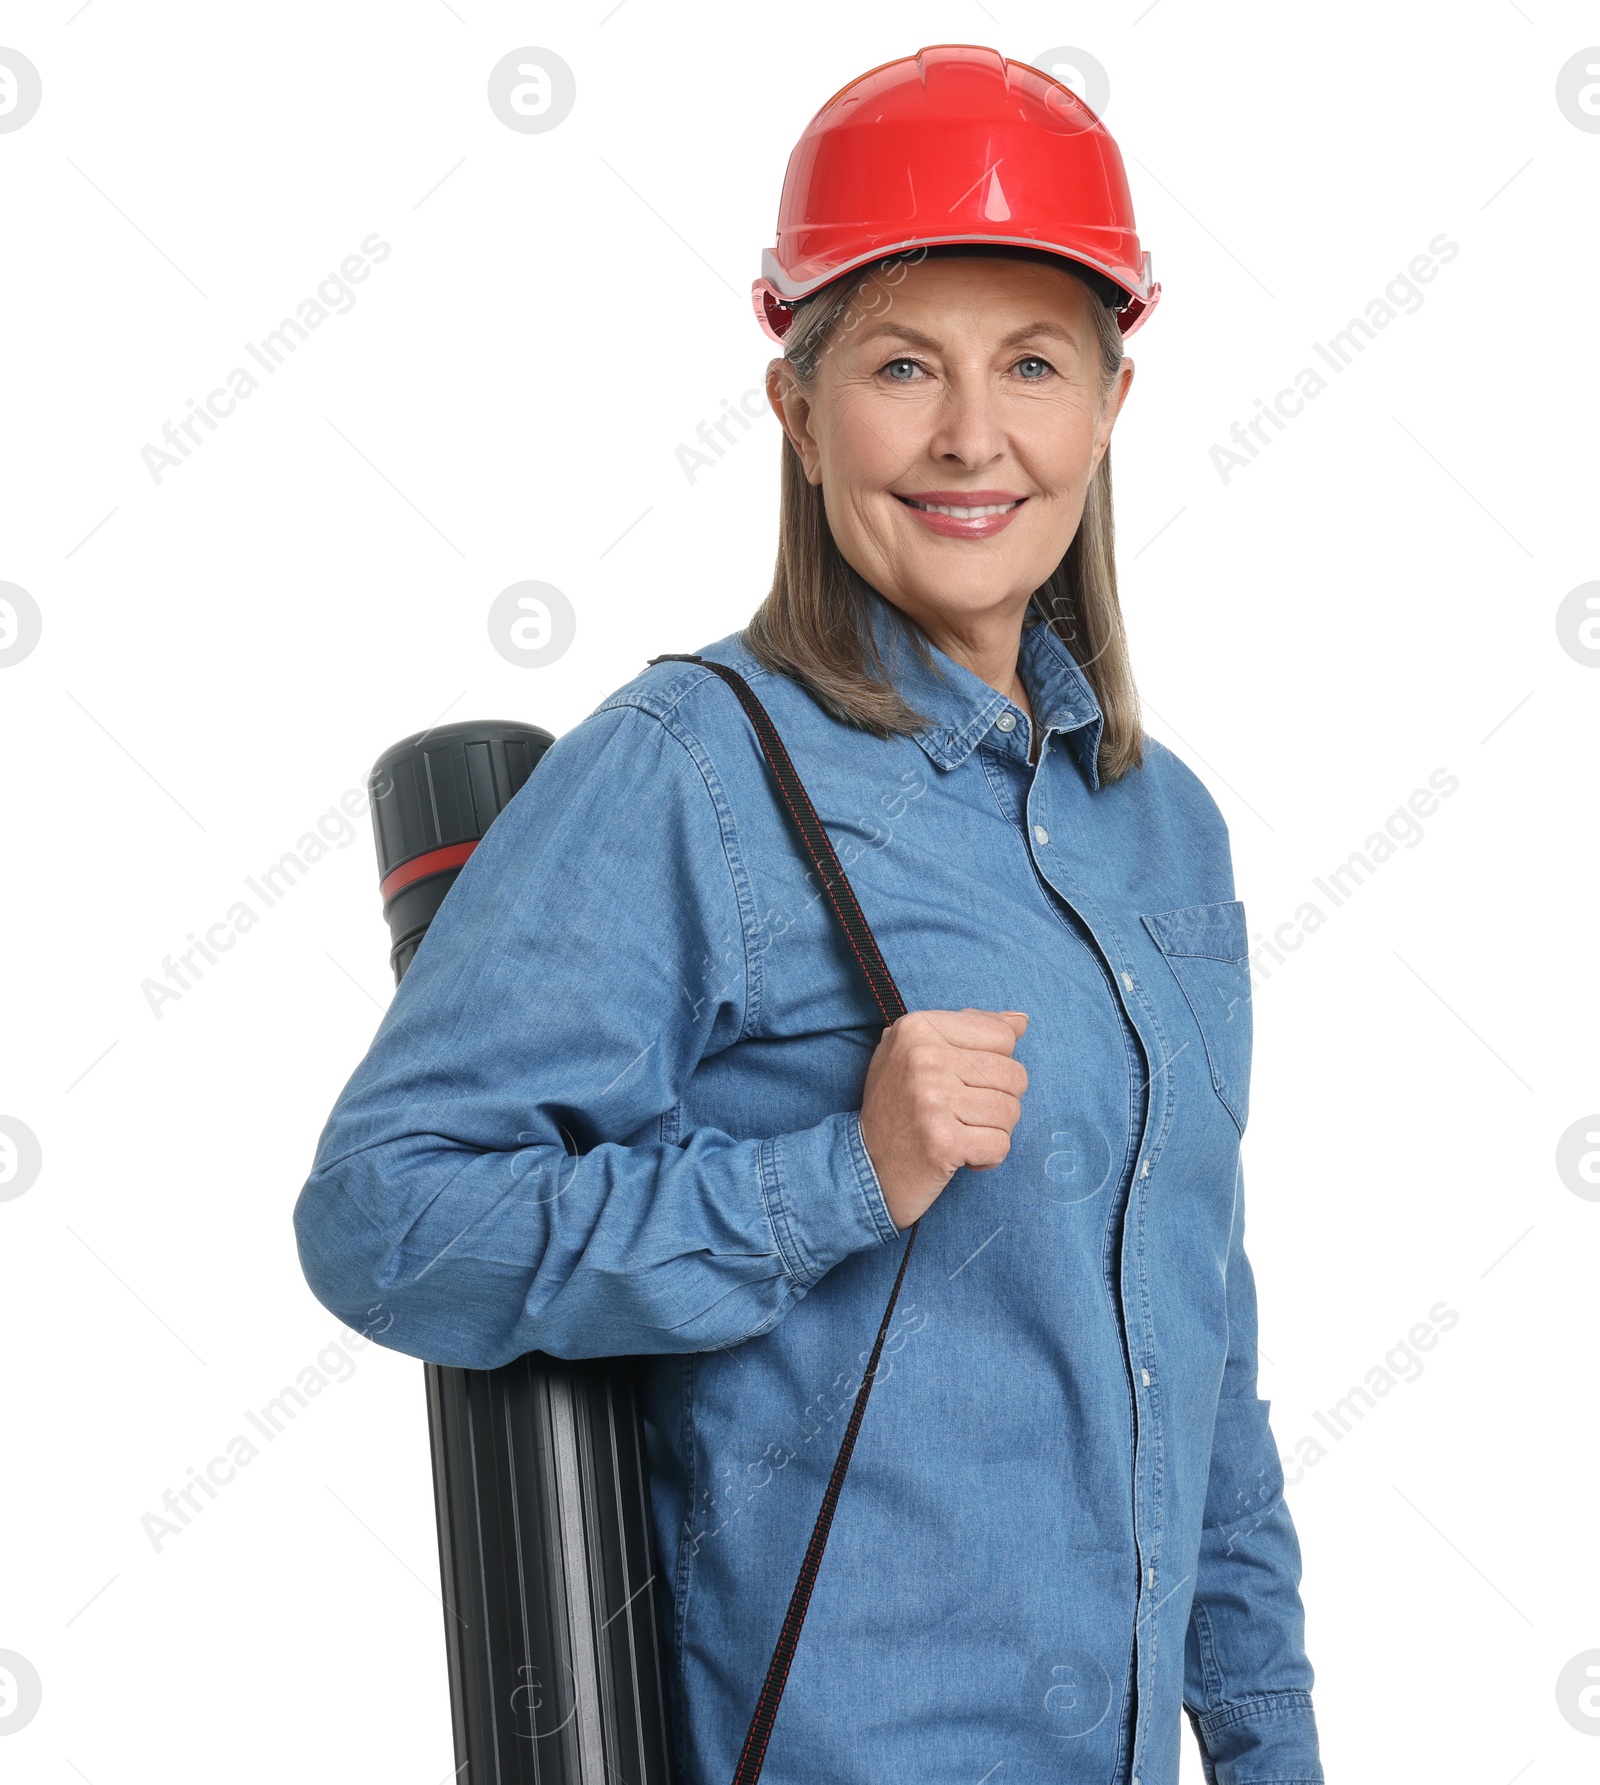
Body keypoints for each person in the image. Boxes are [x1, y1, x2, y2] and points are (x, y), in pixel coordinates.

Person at [293, 44, 1323, 1785]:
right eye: (902, 365)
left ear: (1111, 404)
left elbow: (1196, 1345)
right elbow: (384, 1215)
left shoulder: (1161, 826)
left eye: (1034, 365)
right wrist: (834, 1177)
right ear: (796, 401)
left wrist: (1275, 1743)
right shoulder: (687, 773)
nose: (972, 437)